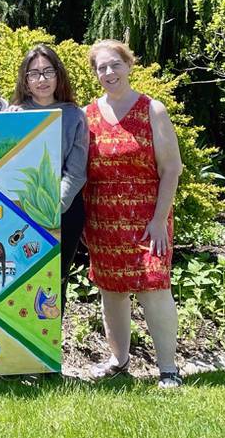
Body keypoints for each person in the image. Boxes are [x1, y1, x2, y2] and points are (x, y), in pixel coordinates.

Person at [84, 39, 183, 388]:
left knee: (154, 288)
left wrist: (159, 220)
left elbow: (172, 169)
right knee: (111, 291)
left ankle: (169, 369)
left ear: (129, 65)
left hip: (148, 220)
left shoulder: (151, 109)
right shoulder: (88, 115)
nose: (109, 72)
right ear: (95, 74)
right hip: (102, 220)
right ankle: (119, 361)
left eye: (115, 65)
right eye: (102, 67)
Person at [11, 44, 89, 316]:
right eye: (34, 73)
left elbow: (77, 172)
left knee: (54, 284)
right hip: (21, 214)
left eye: (48, 71)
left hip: (64, 212)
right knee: (19, 281)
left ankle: (50, 350)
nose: (41, 79)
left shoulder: (75, 116)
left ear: (59, 75)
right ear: (25, 79)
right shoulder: (13, 114)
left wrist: (54, 208)